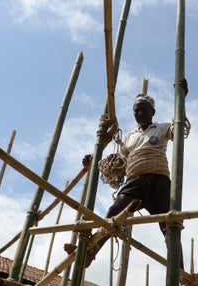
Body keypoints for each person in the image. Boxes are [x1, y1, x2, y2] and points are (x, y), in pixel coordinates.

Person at [79, 82, 187, 268]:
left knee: (169, 224)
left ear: (152, 112)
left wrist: (181, 98)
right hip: (134, 181)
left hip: (158, 179)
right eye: (136, 111)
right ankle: (91, 252)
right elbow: (118, 163)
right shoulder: (129, 137)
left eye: (143, 110)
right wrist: (95, 159)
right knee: (113, 213)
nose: (139, 114)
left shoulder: (161, 128)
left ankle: (179, 269)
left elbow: (178, 130)